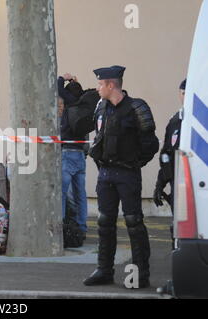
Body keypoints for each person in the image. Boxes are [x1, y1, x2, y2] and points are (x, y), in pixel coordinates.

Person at [84, 65, 159, 288]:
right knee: (104, 222)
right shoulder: (101, 108)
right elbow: (99, 139)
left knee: (134, 223)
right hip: (106, 173)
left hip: (127, 174)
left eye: (100, 84)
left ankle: (139, 274)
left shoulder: (137, 107)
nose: (97, 88)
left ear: (110, 85)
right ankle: (104, 270)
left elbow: (150, 143)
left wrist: (135, 164)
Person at [153, 79, 185, 248]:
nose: (186, 97)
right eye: (183, 94)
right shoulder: (175, 121)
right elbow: (166, 154)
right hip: (178, 183)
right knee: (178, 225)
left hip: (199, 183)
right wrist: (160, 183)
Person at [58, 73, 89, 236]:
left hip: (67, 154)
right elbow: (78, 91)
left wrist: (63, 78)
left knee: (61, 194)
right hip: (80, 154)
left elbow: (57, 88)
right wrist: (75, 83)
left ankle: (62, 227)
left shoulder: (70, 104)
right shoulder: (84, 105)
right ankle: (82, 227)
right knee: (80, 194)